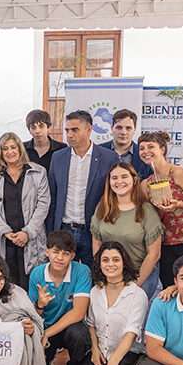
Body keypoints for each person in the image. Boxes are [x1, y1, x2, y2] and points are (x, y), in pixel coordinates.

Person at [67, 242, 148, 365]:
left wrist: (114, 362)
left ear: (124, 263)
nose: (110, 264)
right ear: (99, 264)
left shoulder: (137, 294)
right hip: (102, 352)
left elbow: (131, 333)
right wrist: (95, 350)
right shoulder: (96, 291)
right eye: (105, 260)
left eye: (115, 260)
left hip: (128, 355)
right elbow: (91, 324)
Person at [47, 110, 120, 267]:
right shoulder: (58, 157)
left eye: (75, 130)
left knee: (94, 275)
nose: (70, 134)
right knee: (63, 277)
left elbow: (114, 196)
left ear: (89, 130)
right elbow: (52, 197)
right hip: (64, 229)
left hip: (93, 230)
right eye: (67, 130)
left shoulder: (108, 158)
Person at [139, 131, 183, 289]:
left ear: (162, 149)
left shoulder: (178, 173)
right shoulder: (145, 184)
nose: (145, 151)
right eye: (142, 148)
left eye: (151, 147)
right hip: (164, 245)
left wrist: (179, 205)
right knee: (170, 286)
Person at [0, 132, 51, 288]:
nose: (9, 152)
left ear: (20, 149)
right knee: (3, 283)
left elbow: (43, 203)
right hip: (4, 239)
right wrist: (5, 232)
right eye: (5, 148)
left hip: (29, 238)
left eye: (13, 147)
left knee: (31, 284)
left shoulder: (38, 172)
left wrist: (27, 232)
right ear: (0, 152)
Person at [91, 163, 164, 296]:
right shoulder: (103, 207)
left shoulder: (146, 211)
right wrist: (103, 272)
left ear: (134, 180)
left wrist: (135, 285)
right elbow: (97, 243)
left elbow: (154, 254)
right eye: (114, 178)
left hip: (140, 277)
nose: (119, 181)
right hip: (111, 276)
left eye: (124, 177)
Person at [27, 230, 92, 365]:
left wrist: (47, 334)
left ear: (73, 256)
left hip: (69, 326)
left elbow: (79, 312)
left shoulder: (82, 271)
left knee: (80, 336)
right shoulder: (37, 273)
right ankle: (47, 359)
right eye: (56, 252)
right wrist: (40, 305)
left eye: (66, 253)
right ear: (47, 252)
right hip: (45, 324)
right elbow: (32, 314)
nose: (60, 258)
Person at [100, 108, 151, 178]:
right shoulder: (97, 151)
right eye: (119, 127)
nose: (123, 132)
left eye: (128, 128)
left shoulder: (144, 154)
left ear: (134, 129)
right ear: (112, 128)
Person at [23, 109, 66, 176]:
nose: (37, 131)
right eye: (33, 127)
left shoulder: (61, 148)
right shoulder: (22, 148)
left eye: (41, 126)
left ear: (48, 127)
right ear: (29, 130)